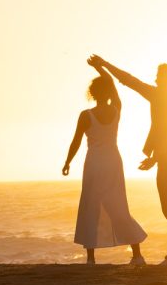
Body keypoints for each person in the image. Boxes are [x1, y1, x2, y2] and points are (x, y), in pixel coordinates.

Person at [88, 54, 167, 265]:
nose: (155, 79)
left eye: (159, 76)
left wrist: (105, 64)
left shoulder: (164, 98)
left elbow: (129, 80)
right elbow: (129, 81)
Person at [62, 63, 147, 265]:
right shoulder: (116, 109)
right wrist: (100, 68)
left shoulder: (86, 115)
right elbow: (113, 87)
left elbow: (76, 141)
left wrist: (67, 162)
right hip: (113, 161)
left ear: (92, 93)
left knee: (91, 206)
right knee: (119, 206)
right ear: (109, 92)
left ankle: (91, 259)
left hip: (94, 163)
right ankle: (137, 255)